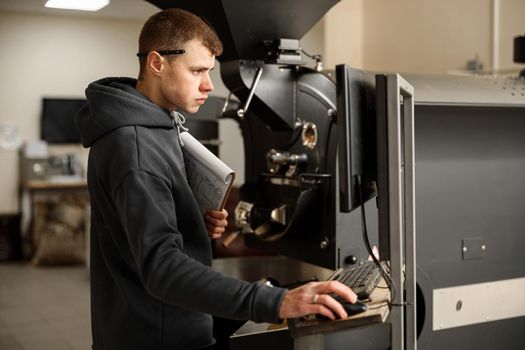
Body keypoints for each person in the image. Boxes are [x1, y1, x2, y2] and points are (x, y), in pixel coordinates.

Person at [76, 8, 357, 350]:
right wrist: (275, 302)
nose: (209, 85)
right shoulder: (136, 147)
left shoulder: (156, 126)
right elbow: (162, 267)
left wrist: (190, 219)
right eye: (197, 71)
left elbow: (140, 231)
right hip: (159, 336)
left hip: (154, 324)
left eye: (209, 71)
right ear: (157, 63)